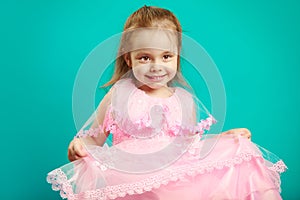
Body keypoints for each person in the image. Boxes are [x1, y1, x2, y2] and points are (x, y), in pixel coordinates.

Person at [47, 6, 286, 200]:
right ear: (128, 58)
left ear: (177, 54)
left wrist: (225, 137)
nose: (156, 66)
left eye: (166, 56)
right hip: (134, 180)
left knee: (237, 155)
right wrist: (78, 145)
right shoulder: (119, 94)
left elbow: (191, 150)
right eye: (144, 57)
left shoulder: (184, 100)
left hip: (175, 181)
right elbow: (92, 141)